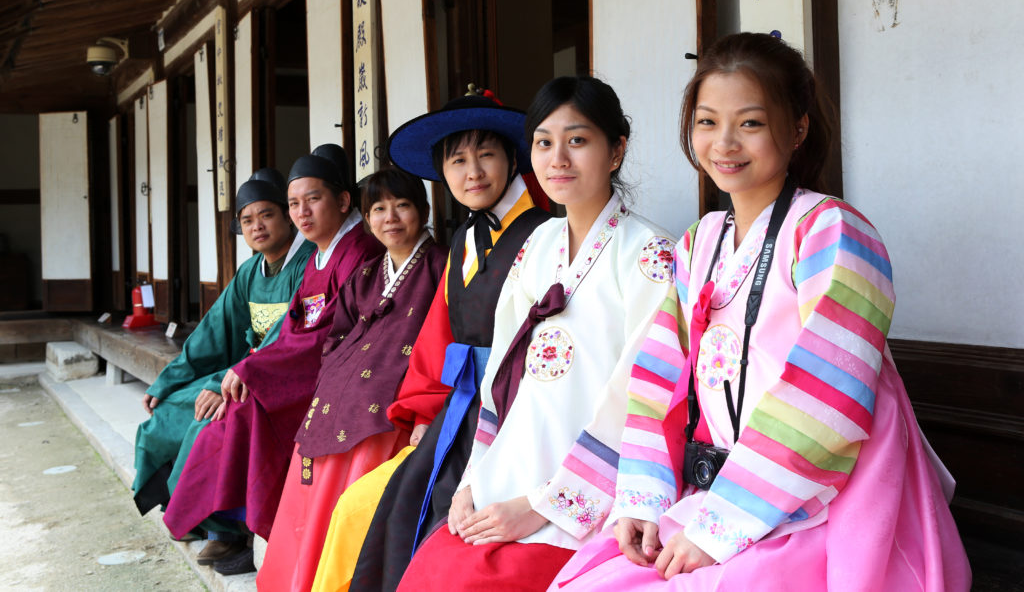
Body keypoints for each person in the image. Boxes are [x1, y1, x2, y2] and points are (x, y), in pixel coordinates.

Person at [551, 32, 971, 590]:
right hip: (719, 496)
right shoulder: (698, 243)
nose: (724, 142)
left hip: (827, 501)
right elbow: (656, 381)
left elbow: (829, 394)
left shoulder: (832, 231)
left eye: (749, 123)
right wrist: (644, 500)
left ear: (797, 128)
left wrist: (720, 528)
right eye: (706, 122)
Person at [395, 76, 675, 591]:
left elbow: (642, 403)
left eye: (578, 140)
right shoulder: (539, 245)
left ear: (616, 150)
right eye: (544, 143)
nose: (558, 159)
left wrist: (540, 507)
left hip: (590, 494)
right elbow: (501, 376)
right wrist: (474, 480)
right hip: (511, 467)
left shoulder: (650, 255)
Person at [313, 89, 550, 592]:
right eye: (457, 159)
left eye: (486, 154)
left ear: (513, 158)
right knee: (375, 508)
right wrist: (425, 413)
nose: (473, 173)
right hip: (459, 408)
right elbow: (438, 336)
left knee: (433, 521)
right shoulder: (465, 238)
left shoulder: (545, 234)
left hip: (521, 410)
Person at [163, 144, 383, 575]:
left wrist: (256, 370)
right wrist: (249, 368)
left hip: (335, 374)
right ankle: (228, 528)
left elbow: (327, 333)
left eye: (312, 200)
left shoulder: (357, 250)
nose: (302, 214)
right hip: (298, 367)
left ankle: (247, 527)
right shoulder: (323, 251)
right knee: (224, 416)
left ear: (342, 201)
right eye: (294, 204)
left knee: (246, 416)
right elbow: (292, 326)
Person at [257, 168, 447, 591]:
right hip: (343, 396)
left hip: (392, 403)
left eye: (402, 205)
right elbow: (336, 337)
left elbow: (441, 343)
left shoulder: (441, 266)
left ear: (423, 210)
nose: (390, 218)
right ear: (365, 217)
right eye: (378, 209)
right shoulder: (365, 275)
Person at [132, 168, 313, 533]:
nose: (257, 226)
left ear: (287, 216)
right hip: (243, 372)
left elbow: (286, 338)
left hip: (276, 378)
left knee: (206, 426)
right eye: (247, 220)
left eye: (266, 215)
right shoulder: (249, 271)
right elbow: (211, 334)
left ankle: (222, 528)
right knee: (166, 414)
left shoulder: (308, 262)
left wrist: (222, 385)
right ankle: (177, 510)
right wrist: (166, 383)